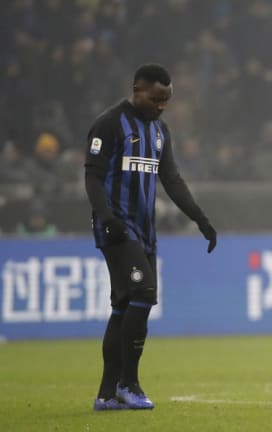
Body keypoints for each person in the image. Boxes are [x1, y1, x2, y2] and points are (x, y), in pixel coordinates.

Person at [84, 64, 217, 411]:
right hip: (117, 228)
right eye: (156, 98)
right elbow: (93, 177)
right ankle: (130, 384)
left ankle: (106, 393)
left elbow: (172, 180)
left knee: (125, 305)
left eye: (166, 100)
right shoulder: (110, 123)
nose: (161, 106)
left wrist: (199, 219)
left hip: (144, 231)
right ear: (136, 89)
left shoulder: (159, 131)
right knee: (144, 292)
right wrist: (107, 217)